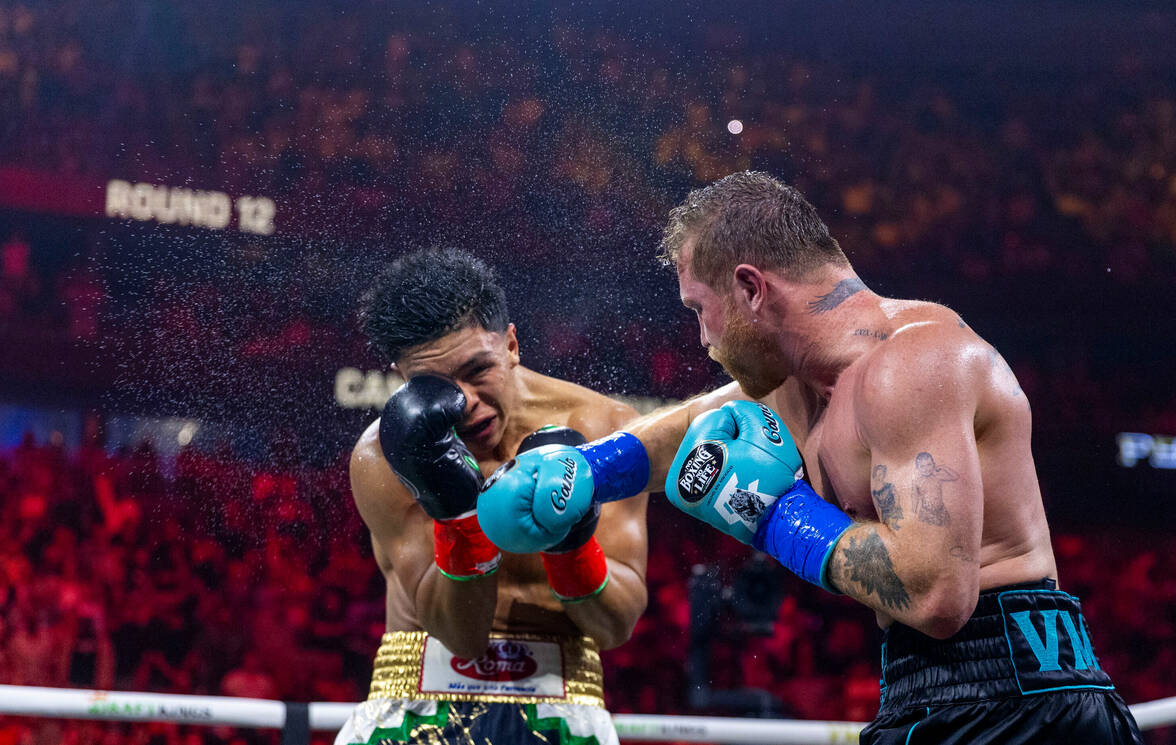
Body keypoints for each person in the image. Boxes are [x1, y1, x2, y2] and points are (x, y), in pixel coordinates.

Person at [478, 172, 1142, 744]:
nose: (702, 337)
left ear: (750, 289)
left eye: (700, 310)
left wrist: (772, 514)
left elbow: (938, 593)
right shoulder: (799, 383)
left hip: (1022, 700)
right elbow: (680, 431)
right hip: (922, 688)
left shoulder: (911, 364)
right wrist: (583, 471)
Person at [334, 248, 647, 745]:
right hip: (419, 704)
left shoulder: (603, 430)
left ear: (512, 345)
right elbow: (460, 637)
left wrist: (570, 540)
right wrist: (457, 513)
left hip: (562, 703)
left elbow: (614, 628)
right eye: (436, 386)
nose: (467, 404)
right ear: (402, 381)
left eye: (479, 370)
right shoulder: (383, 457)